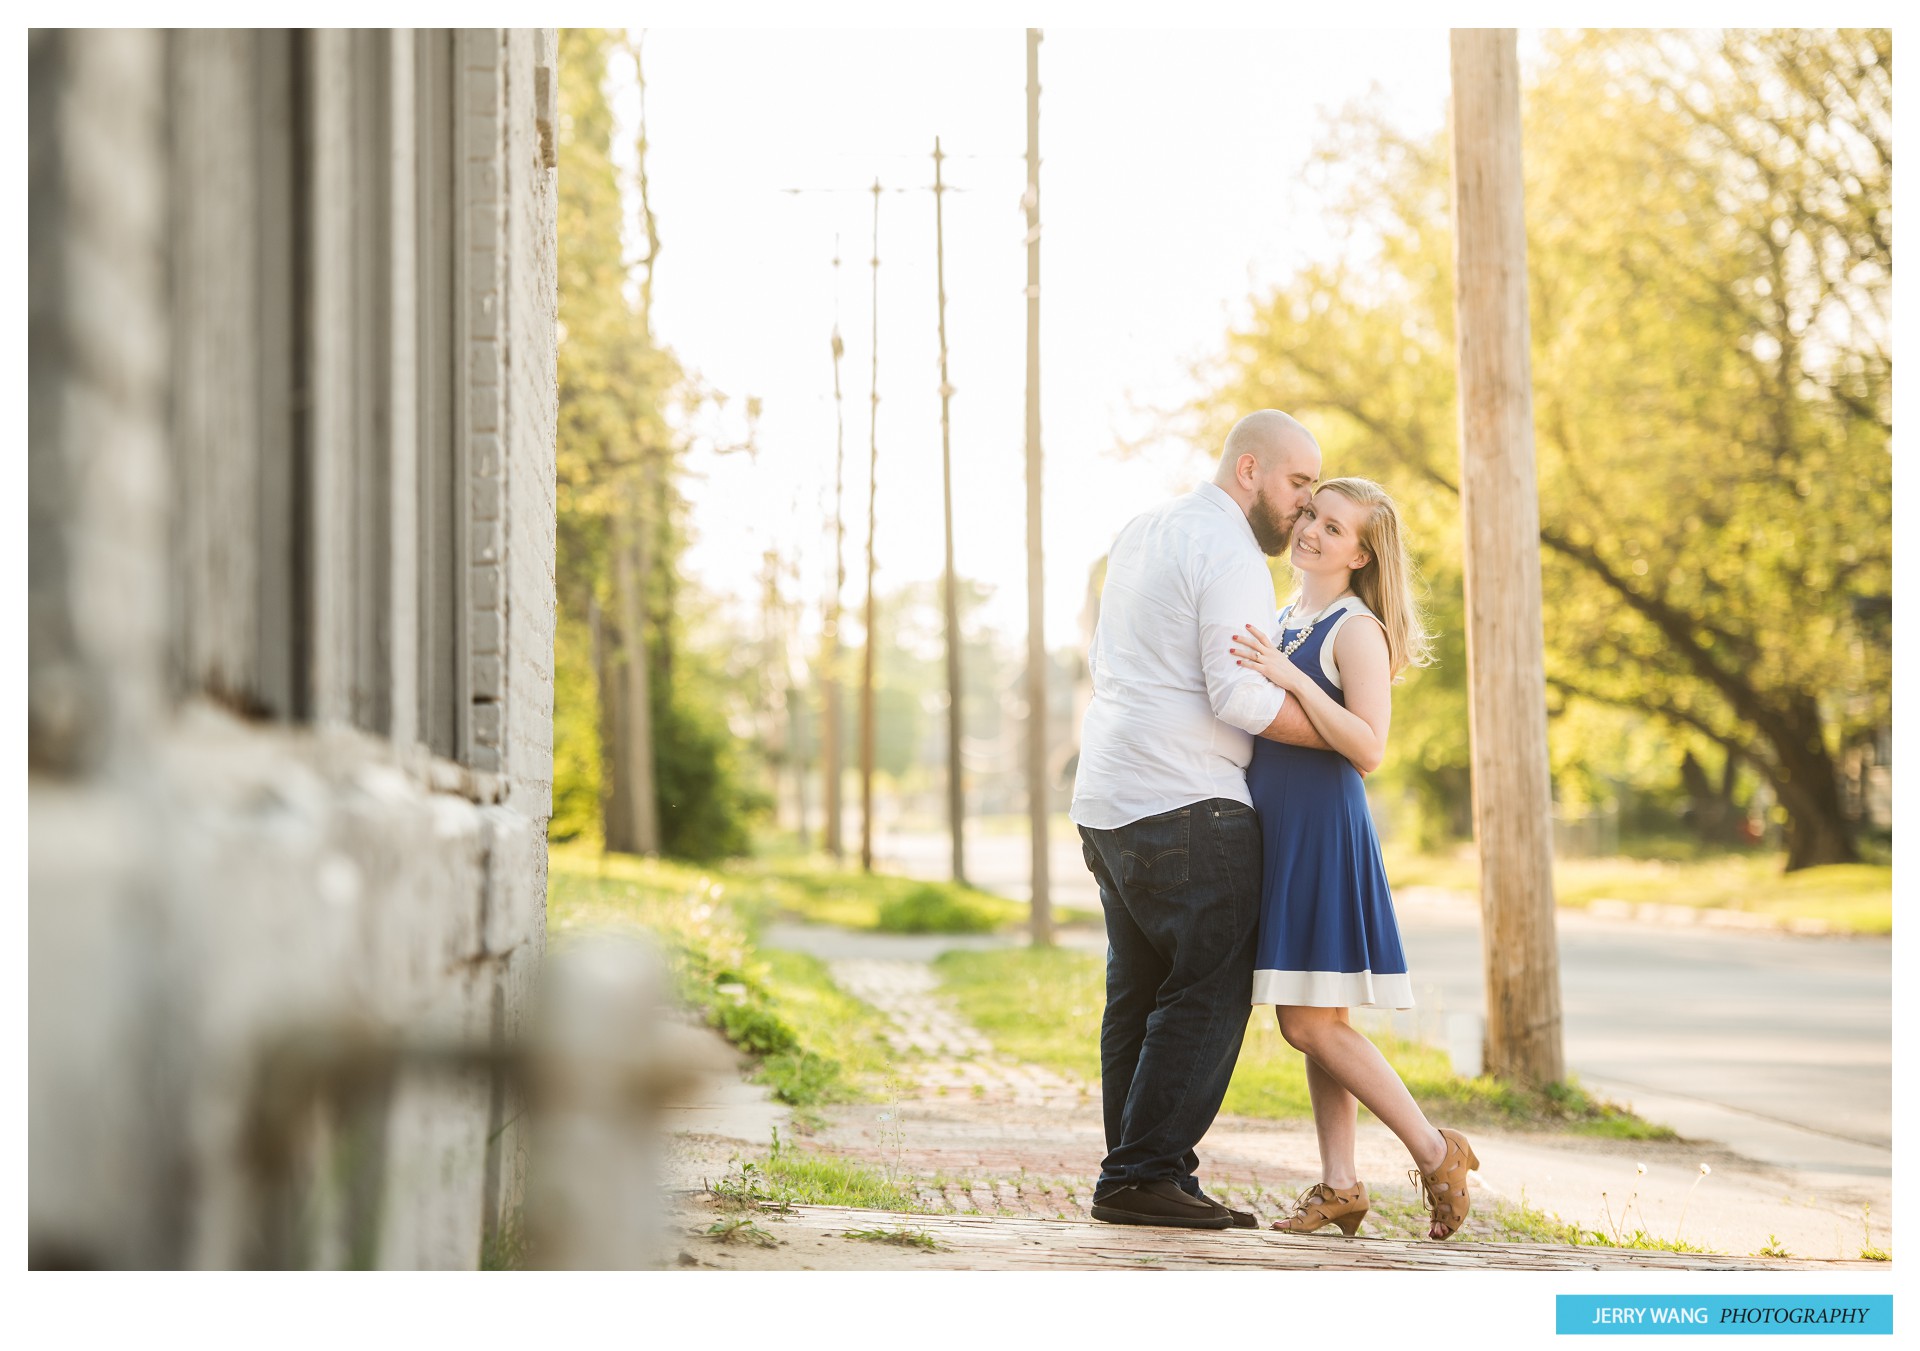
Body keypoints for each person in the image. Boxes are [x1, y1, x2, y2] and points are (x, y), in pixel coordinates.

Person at [1070, 409, 1334, 1230]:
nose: (1304, 506)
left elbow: (1106, 658)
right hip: (1188, 802)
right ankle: (1143, 1171)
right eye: (1298, 485)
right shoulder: (1226, 548)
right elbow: (1240, 695)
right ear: (1249, 469)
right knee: (1210, 989)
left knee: (1140, 992)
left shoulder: (1143, 530)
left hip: (1108, 800)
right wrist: (1339, 727)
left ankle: (1145, 1172)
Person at [1229, 476, 1478, 1241]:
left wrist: (1287, 673)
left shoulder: (1355, 627)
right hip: (1282, 826)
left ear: (1361, 550)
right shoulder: (1287, 611)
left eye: (1333, 527)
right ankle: (1339, 1183)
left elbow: (1369, 746)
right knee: (1313, 1013)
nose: (1310, 530)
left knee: (1308, 1024)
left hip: (1322, 829)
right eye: (1309, 514)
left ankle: (1438, 1151)